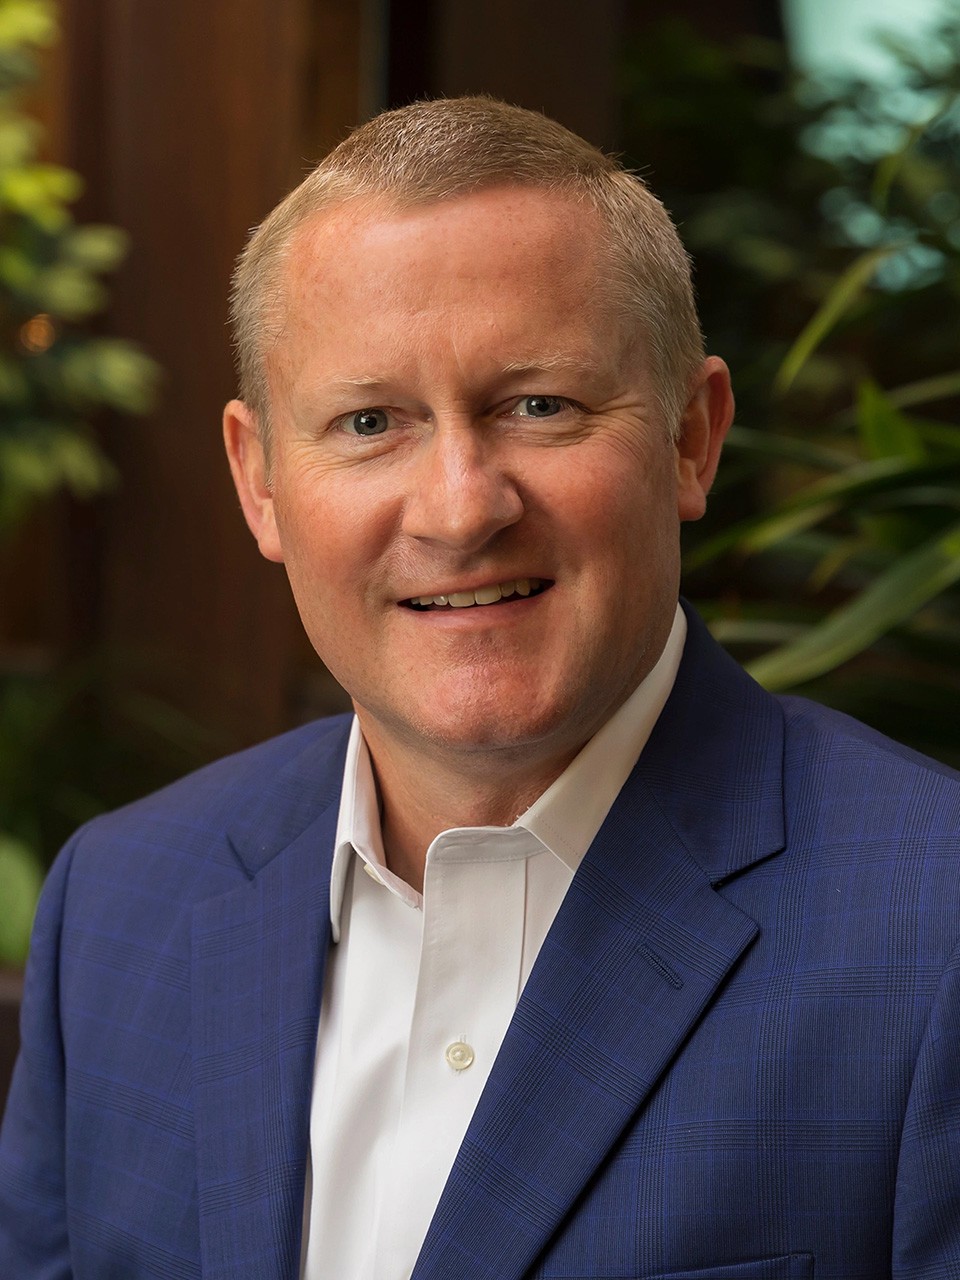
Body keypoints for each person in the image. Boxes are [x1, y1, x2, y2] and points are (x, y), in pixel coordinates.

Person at [2, 95, 960, 1280]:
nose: (461, 508)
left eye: (539, 405)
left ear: (691, 438)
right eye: (369, 422)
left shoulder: (935, 925)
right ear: (258, 482)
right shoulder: (120, 901)